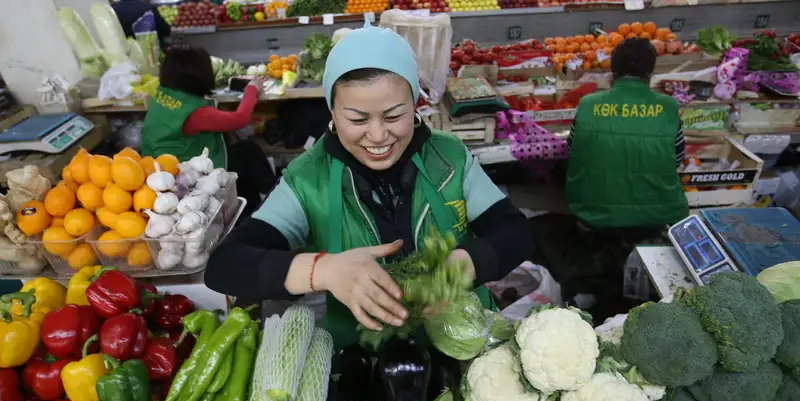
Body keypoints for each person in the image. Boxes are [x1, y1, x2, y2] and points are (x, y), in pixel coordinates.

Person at [205, 23, 534, 349]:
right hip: (363, 359)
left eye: (393, 116)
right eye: (357, 119)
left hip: (464, 341)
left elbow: (516, 233)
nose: (378, 136)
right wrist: (324, 271)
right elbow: (227, 265)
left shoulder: (449, 159)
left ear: (415, 105)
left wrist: (461, 266)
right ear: (332, 111)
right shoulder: (307, 180)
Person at [566, 38, 689, 235]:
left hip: (594, 214)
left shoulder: (588, 104)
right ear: (650, 72)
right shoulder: (668, 107)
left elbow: (573, 151)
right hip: (656, 214)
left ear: (613, 70)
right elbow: (676, 159)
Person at [141, 45, 274, 216]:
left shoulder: (162, 95)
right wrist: (252, 89)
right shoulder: (196, 113)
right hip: (182, 177)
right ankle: (274, 199)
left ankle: (250, 208)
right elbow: (239, 119)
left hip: (156, 170)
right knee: (249, 152)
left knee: (242, 162)